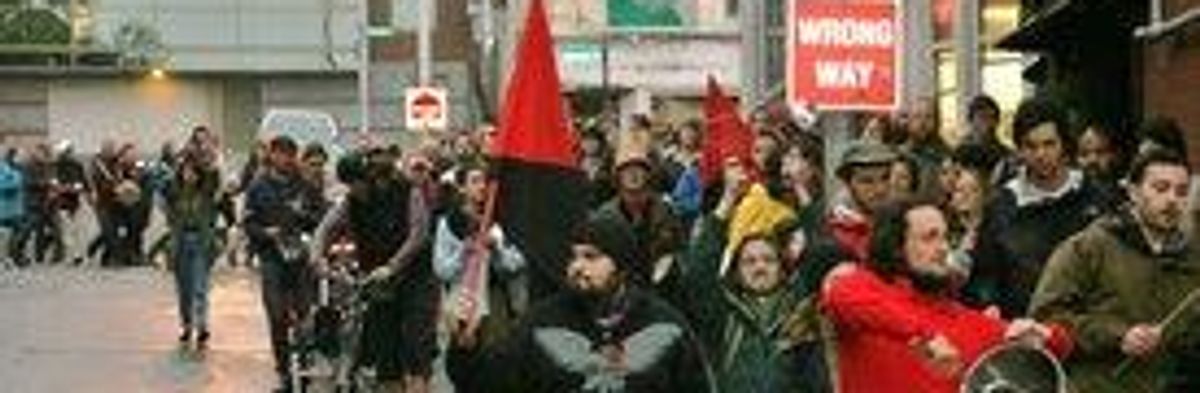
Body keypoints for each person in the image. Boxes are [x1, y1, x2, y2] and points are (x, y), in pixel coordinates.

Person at [446, 210, 716, 392]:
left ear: (621, 266)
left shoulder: (665, 322)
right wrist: (464, 346)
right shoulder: (541, 322)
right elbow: (482, 384)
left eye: (591, 257)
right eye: (574, 256)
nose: (577, 266)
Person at [820, 197, 1072, 393]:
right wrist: (922, 335)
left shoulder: (967, 320)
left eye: (945, 237)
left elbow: (1053, 350)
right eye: (929, 238)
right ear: (896, 247)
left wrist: (1046, 336)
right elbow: (841, 295)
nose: (943, 249)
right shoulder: (864, 288)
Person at [1029, 149, 1200, 392]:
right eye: (1161, 188)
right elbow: (1045, 318)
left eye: (1182, 192)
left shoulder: (1191, 258)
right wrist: (1118, 336)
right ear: (1133, 191)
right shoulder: (1089, 246)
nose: (1172, 199)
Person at [682, 174, 831, 392]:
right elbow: (699, 271)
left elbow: (822, 253)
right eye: (749, 262)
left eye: (769, 260)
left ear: (782, 268)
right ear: (737, 271)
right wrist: (728, 199)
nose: (759, 267)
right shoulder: (722, 312)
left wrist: (800, 187)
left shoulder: (801, 305)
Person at [968, 98, 1109, 316]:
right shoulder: (1001, 206)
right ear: (1020, 150)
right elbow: (984, 277)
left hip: (1087, 329)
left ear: (1064, 145)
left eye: (1049, 144)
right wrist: (989, 305)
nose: (1040, 154)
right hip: (1023, 330)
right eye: (1031, 146)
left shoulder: (1095, 197)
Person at [311, 146, 434, 393]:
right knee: (385, 355)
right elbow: (325, 229)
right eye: (349, 185)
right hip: (379, 284)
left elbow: (418, 234)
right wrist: (317, 257)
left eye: (357, 183)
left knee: (415, 349)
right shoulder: (350, 202)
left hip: (415, 279)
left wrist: (392, 266)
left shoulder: (407, 191)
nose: (354, 190)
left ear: (372, 178)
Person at [432, 162, 530, 393]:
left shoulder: (500, 220)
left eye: (484, 181)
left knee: (497, 365)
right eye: (474, 181)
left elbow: (517, 263)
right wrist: (462, 253)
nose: (481, 187)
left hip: (495, 302)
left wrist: (496, 249)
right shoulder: (449, 223)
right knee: (464, 366)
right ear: (462, 188)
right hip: (463, 302)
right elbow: (441, 269)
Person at [243, 136, 322, 393]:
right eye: (280, 153)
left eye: (290, 154)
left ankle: (306, 360)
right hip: (271, 258)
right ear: (272, 155)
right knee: (276, 316)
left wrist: (302, 217)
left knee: (305, 315)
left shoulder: (306, 185)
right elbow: (248, 223)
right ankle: (283, 371)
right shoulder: (258, 186)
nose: (285, 159)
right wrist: (267, 233)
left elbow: (320, 219)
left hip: (300, 258)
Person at [163, 152, 221, 346]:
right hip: (180, 243)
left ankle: (202, 325)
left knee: (200, 287)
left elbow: (214, 177)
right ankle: (187, 325)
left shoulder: (206, 192)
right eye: (186, 171)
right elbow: (162, 189)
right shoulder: (174, 191)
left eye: (193, 171)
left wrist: (207, 156)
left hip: (201, 242)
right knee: (184, 289)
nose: (189, 175)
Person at [826, 141, 897, 262]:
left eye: (885, 178)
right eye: (867, 181)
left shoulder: (898, 224)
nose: (880, 189)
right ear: (848, 184)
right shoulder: (832, 234)